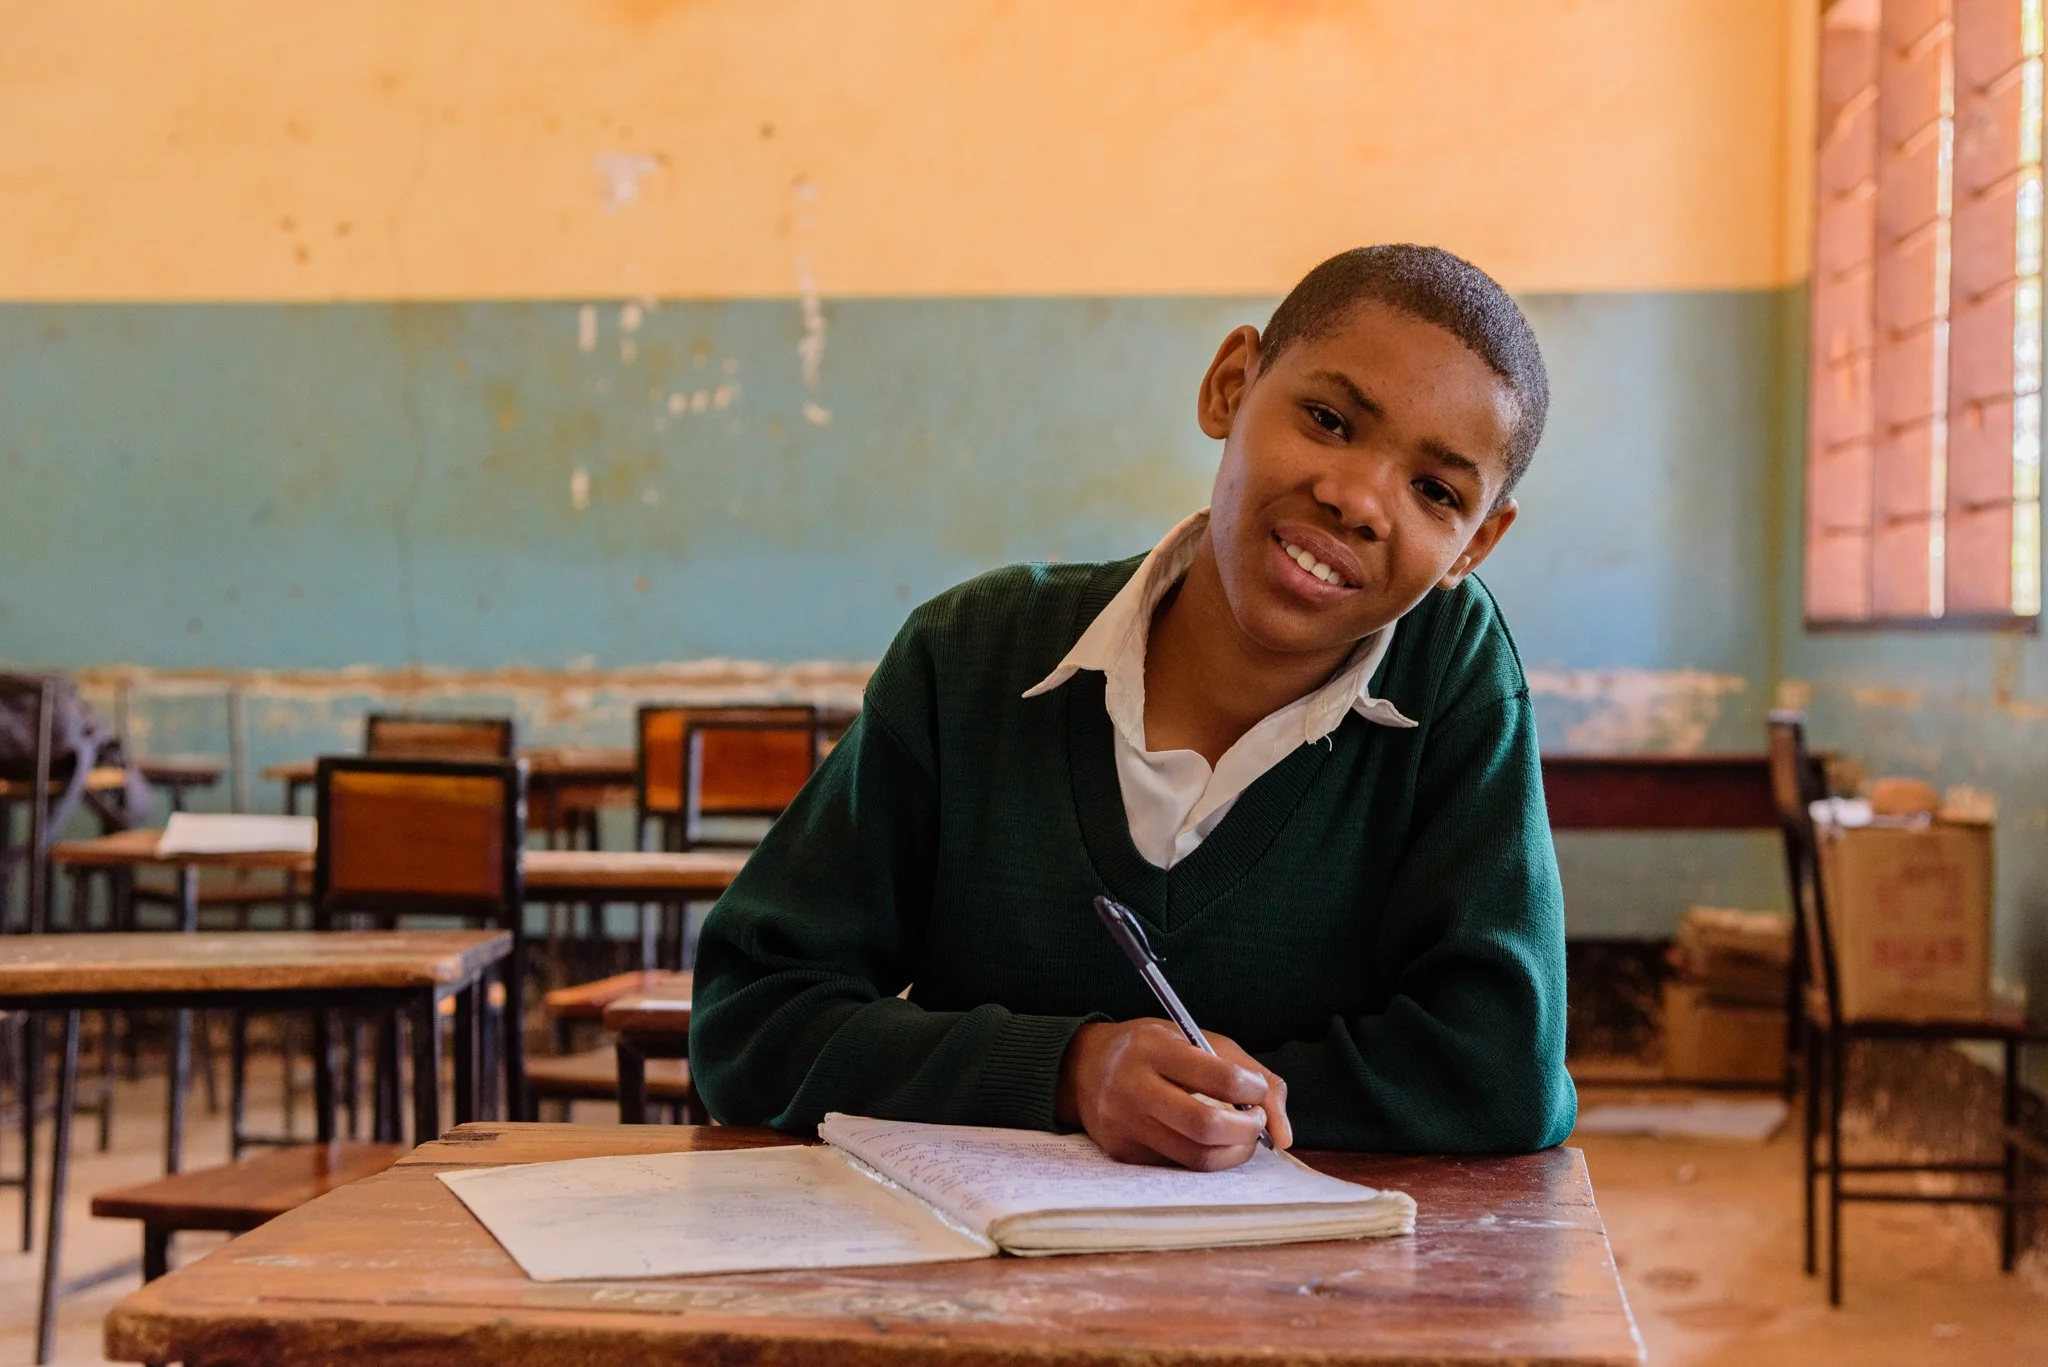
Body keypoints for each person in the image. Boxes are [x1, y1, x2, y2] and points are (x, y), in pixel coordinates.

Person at [690, 244, 1576, 1170]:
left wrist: (1207, 1107)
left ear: (1477, 542)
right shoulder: (974, 658)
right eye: (1327, 419)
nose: (1357, 500)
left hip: (1319, 1303)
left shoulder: (1451, 681)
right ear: (1230, 385)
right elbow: (751, 1020)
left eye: (1436, 492)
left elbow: (1500, 1074)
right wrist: (1069, 1073)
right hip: (984, 1294)